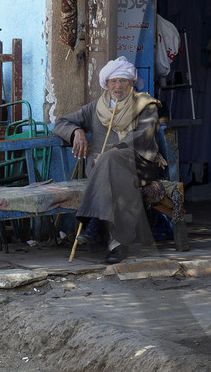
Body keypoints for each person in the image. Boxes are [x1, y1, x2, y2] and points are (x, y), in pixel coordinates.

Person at [53, 59, 170, 264]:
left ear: (131, 83)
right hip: (102, 169)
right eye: (113, 81)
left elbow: (144, 134)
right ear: (106, 84)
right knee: (112, 171)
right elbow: (61, 122)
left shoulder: (145, 105)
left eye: (123, 81)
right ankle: (117, 244)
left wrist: (114, 149)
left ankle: (95, 223)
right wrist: (76, 132)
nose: (118, 86)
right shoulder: (95, 108)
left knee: (111, 159)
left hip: (138, 165)